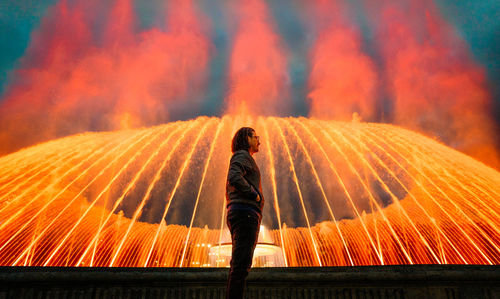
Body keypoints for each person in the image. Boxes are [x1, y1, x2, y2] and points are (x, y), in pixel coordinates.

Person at [225, 127, 264, 299]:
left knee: (239, 264)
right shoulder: (242, 156)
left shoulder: (244, 157)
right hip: (245, 213)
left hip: (243, 213)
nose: (259, 141)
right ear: (247, 139)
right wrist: (254, 194)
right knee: (241, 266)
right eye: (256, 137)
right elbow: (234, 176)